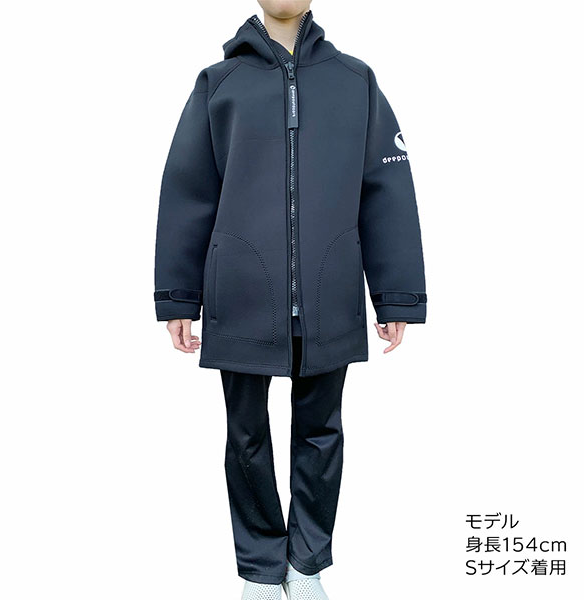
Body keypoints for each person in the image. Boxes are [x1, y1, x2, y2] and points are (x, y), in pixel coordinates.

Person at [154, 1, 427, 598]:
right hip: (241, 293)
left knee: (321, 432)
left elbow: (386, 189)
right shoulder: (218, 83)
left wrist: (396, 295)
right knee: (246, 437)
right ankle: (260, 569)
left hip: (329, 293)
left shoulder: (356, 81)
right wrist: (179, 295)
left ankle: (306, 565)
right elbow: (187, 191)